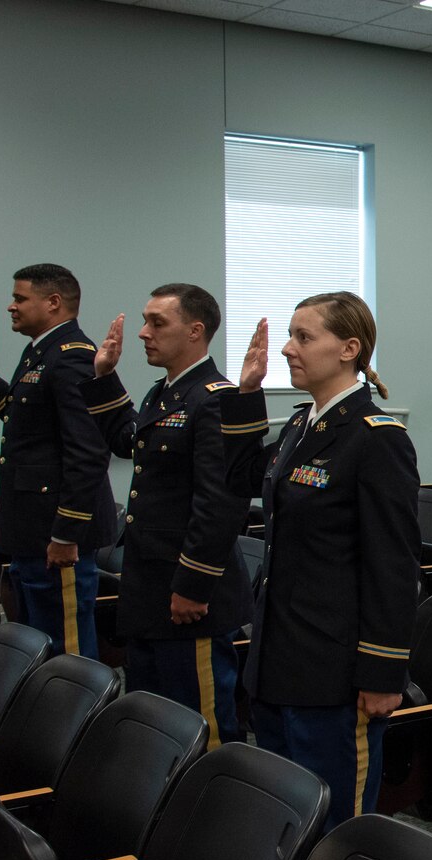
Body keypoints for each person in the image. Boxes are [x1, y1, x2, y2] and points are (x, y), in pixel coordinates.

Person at [221, 293, 419, 832]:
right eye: (290, 335)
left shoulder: (377, 439)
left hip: (335, 673)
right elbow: (240, 486)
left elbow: (394, 567)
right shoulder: (300, 427)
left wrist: (383, 672)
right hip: (280, 659)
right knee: (287, 816)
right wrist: (245, 396)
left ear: (349, 349)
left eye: (304, 337)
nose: (287, 348)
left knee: (337, 827)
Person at [81, 284, 253, 745]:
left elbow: (220, 502)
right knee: (155, 720)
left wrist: (193, 585)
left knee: (200, 724)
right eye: (145, 320)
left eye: (158, 323)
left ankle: (212, 811)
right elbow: (128, 441)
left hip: (188, 593)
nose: (142, 333)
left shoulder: (215, 397)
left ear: (195, 331)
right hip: (152, 584)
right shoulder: (166, 392)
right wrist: (104, 377)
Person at [0, 264, 118, 658]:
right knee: (38, 647)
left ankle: (80, 720)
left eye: (19, 298)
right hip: (33, 532)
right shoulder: (42, 352)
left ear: (53, 302)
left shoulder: (71, 357)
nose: (11, 307)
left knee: (67, 652)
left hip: (56, 535)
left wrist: (66, 533)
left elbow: (88, 450)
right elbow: (29, 422)